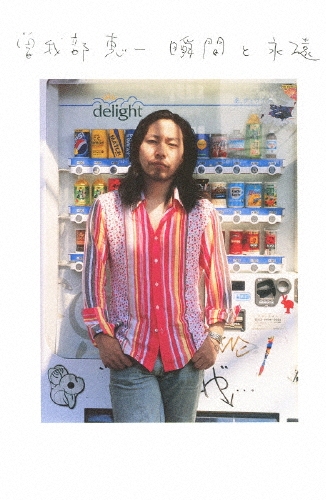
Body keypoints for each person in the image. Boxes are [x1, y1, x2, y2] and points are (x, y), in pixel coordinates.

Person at [82, 109, 237, 422]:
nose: (161, 151)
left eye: (172, 144)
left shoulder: (202, 212)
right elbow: (92, 278)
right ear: (138, 148)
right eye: (152, 141)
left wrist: (215, 336)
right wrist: (102, 336)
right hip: (130, 353)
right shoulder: (108, 208)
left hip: (187, 354)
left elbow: (218, 279)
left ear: (183, 155)